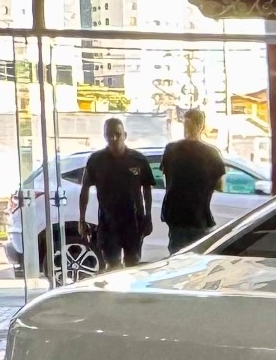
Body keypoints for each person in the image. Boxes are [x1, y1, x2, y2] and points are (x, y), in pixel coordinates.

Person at [79, 117, 155, 270]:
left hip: (134, 221)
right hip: (108, 223)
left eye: (118, 134)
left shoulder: (138, 159)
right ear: (105, 136)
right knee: (112, 266)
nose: (114, 138)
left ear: (125, 135)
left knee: (133, 264)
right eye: (110, 135)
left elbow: (147, 189)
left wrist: (148, 216)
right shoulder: (96, 160)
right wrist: (82, 219)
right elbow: (84, 189)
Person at [159, 107, 227, 254]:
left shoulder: (171, 149)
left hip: (176, 217)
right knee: (199, 258)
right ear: (201, 126)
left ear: (184, 124)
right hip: (199, 217)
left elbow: (166, 179)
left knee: (177, 257)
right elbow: (221, 185)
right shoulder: (211, 153)